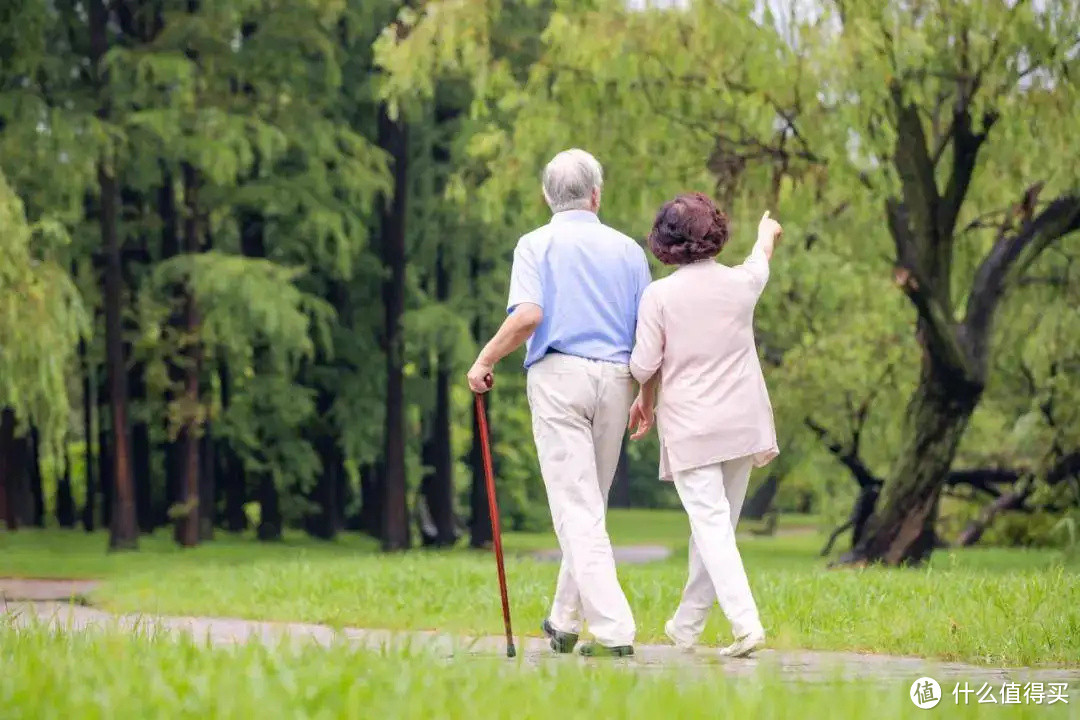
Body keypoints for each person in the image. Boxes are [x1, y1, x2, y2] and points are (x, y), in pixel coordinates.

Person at [467, 149, 651, 657]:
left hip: (559, 376)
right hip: (618, 380)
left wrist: (485, 359)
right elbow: (648, 332)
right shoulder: (630, 251)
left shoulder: (535, 244)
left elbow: (528, 315)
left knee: (577, 509)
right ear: (597, 194)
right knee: (589, 506)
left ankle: (614, 630)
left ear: (548, 197)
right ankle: (565, 622)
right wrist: (647, 395)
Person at [627, 192, 781, 658]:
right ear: (713, 234)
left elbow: (642, 364)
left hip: (694, 426)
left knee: (712, 528)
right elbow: (761, 259)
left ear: (666, 241)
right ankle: (687, 625)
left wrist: (644, 391)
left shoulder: (660, 296)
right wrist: (765, 232)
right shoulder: (740, 284)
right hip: (742, 423)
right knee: (717, 529)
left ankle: (746, 624)